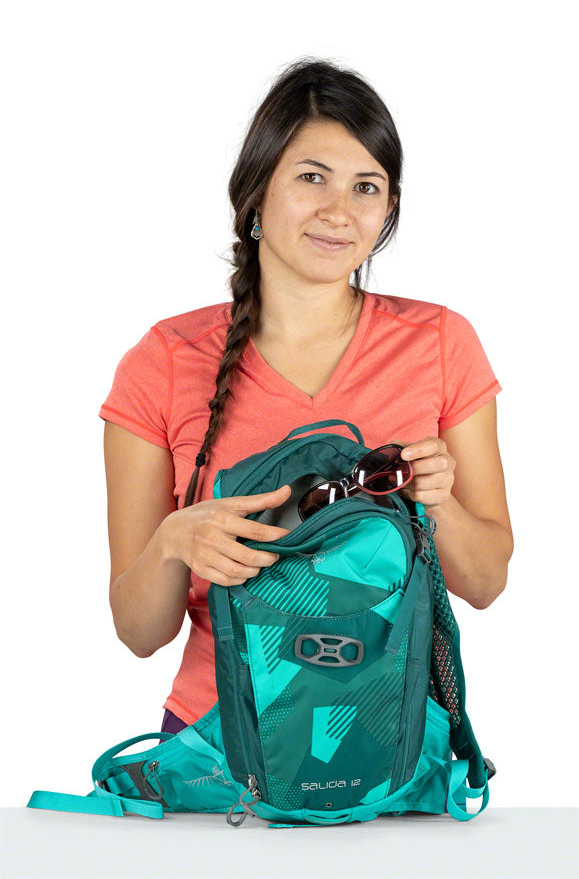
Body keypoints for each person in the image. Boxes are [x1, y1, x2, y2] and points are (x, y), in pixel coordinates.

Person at [98, 57, 514, 741]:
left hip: (391, 745)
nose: (338, 212)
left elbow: (487, 582)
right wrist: (174, 542)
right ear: (256, 191)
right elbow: (138, 632)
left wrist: (435, 500)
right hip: (219, 748)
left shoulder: (441, 343)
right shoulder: (164, 361)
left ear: (388, 210)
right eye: (312, 177)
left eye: (365, 187)